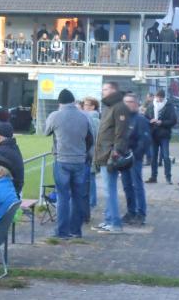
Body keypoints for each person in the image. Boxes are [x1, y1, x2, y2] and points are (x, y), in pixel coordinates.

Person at [45, 89, 93, 239]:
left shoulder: (55, 116)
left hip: (62, 160)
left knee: (63, 196)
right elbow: (90, 138)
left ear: (60, 103)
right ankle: (76, 230)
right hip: (79, 160)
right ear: (73, 101)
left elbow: (45, 132)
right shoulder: (84, 117)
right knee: (78, 196)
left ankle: (62, 231)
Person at [93, 82, 131, 233]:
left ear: (113, 90)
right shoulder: (109, 107)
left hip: (110, 155)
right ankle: (109, 219)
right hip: (103, 154)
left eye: (106, 89)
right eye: (102, 89)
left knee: (110, 190)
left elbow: (120, 134)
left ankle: (115, 224)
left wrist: (115, 154)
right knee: (107, 190)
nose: (103, 92)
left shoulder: (119, 107)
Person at [121, 93, 151, 226]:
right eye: (125, 102)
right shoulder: (122, 119)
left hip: (134, 159)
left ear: (136, 103)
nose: (127, 104)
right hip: (123, 158)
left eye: (130, 102)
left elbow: (145, 140)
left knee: (137, 185)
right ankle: (130, 211)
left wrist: (136, 155)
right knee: (127, 186)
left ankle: (141, 213)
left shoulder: (140, 120)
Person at [145, 89, 176, 184]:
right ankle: (153, 177)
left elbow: (173, 120)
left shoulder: (169, 106)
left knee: (166, 156)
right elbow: (145, 118)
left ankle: (168, 177)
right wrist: (150, 121)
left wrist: (161, 122)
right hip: (153, 134)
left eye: (160, 98)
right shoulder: (150, 106)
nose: (159, 100)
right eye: (157, 98)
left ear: (163, 98)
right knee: (153, 157)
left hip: (164, 135)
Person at [82, 97, 101, 215]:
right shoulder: (96, 118)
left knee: (90, 177)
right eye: (84, 104)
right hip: (95, 151)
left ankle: (91, 201)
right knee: (91, 176)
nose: (84, 106)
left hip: (91, 152)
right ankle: (92, 201)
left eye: (86, 104)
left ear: (92, 107)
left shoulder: (91, 119)